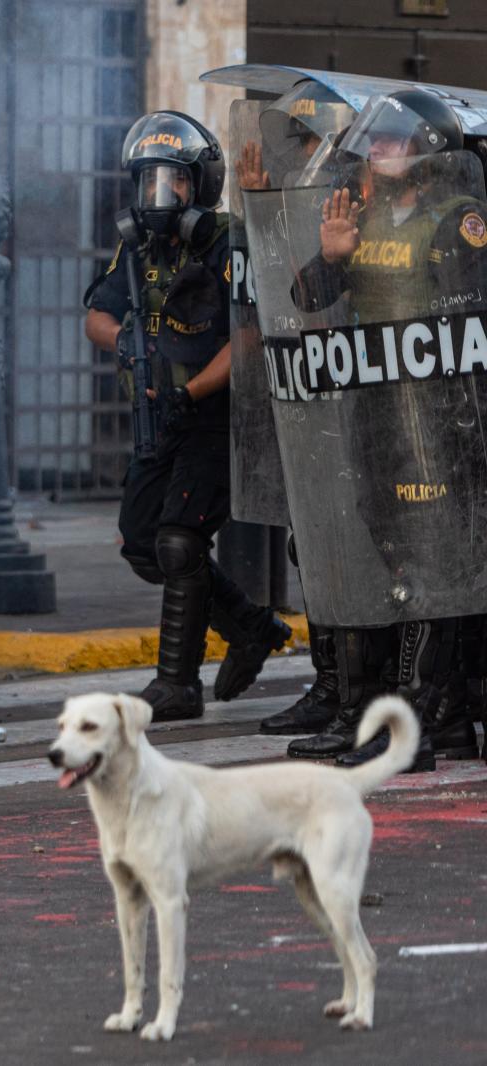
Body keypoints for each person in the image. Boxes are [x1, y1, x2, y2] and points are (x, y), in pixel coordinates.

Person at [280, 90, 487, 769]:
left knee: (434, 567)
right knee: (390, 562)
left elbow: (468, 329)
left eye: (394, 143)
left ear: (427, 152)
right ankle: (422, 717)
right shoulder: (360, 218)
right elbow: (306, 300)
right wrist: (331, 256)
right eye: (377, 142)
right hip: (372, 419)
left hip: (434, 423)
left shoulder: (458, 220)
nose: (379, 152)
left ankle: (422, 720)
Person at [83, 110, 291, 723]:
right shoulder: (135, 247)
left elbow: (249, 336)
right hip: (159, 415)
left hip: (216, 416)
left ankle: (177, 685)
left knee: (180, 540)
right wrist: (124, 340)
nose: (159, 196)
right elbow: (96, 314)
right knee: (144, 545)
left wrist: (191, 391)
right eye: (148, 182)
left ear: (199, 184)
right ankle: (251, 628)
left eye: (171, 182)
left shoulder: (228, 241)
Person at [230, 80, 357, 740]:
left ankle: (356, 689)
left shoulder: (351, 182)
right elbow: (281, 280)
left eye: (297, 133)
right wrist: (256, 206)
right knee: (313, 543)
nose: (284, 145)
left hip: (354, 388)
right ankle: (332, 683)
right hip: (308, 380)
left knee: (346, 544)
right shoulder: (292, 183)